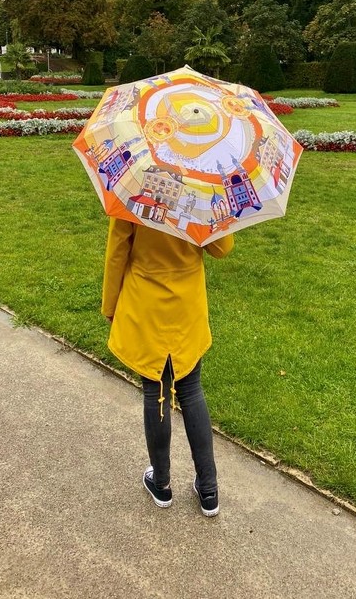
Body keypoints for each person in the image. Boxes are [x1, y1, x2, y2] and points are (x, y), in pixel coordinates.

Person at [101, 217, 234, 516]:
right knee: (191, 388)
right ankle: (208, 489)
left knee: (156, 390)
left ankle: (161, 483)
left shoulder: (133, 185)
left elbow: (117, 250)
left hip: (146, 301)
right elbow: (222, 248)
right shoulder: (201, 188)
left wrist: (111, 304)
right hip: (186, 304)